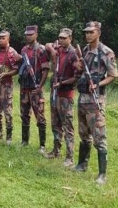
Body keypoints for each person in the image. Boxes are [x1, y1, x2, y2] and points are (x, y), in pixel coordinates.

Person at [74, 21, 117, 185]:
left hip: (95, 99)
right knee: (84, 133)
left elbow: (113, 75)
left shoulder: (106, 52)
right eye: (86, 32)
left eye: (91, 32)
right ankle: (82, 164)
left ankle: (102, 175)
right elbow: (81, 69)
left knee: (99, 136)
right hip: (83, 96)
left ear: (98, 32)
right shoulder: (85, 50)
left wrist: (98, 84)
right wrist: (78, 66)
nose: (87, 35)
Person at [44, 28, 78, 166]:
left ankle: (70, 157)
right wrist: (53, 49)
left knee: (67, 126)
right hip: (55, 94)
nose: (61, 40)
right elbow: (47, 45)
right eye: (60, 38)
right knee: (55, 124)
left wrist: (62, 83)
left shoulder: (73, 54)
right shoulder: (58, 52)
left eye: (64, 38)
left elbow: (76, 77)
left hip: (66, 94)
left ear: (70, 38)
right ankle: (56, 150)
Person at [18, 25, 49, 153]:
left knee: (40, 117)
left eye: (30, 34)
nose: (28, 36)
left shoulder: (41, 50)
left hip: (36, 90)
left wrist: (40, 86)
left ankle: (42, 145)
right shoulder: (24, 50)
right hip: (24, 89)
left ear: (36, 34)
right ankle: (25, 141)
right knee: (24, 115)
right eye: (26, 34)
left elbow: (46, 70)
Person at [0, 30, 19, 145]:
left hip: (6, 86)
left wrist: (6, 74)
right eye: (0, 38)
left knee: (7, 110)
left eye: (3, 38)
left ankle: (9, 136)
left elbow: (16, 69)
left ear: (8, 39)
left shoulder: (12, 52)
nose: (1, 40)